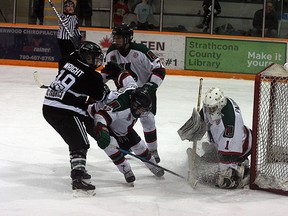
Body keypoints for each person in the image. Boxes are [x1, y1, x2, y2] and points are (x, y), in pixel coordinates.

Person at [42, 41, 109, 194]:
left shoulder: (68, 61)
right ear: (84, 56)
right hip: (65, 110)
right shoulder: (93, 76)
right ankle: (77, 177)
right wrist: (104, 88)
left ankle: (79, 170)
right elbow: (99, 96)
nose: (96, 61)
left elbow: (63, 61)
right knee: (81, 142)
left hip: (48, 107)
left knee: (76, 140)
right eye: (93, 58)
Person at [101, 23, 166, 164]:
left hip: (143, 93)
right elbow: (107, 72)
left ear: (128, 38)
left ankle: (153, 150)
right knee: (119, 121)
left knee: (148, 121)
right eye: (116, 37)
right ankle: (126, 146)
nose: (116, 40)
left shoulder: (140, 51)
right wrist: (96, 85)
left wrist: (149, 87)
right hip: (124, 94)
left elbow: (160, 69)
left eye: (120, 37)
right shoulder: (112, 52)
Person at [87, 84, 165, 184]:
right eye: (142, 110)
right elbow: (100, 116)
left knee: (139, 146)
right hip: (94, 119)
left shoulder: (133, 98)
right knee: (110, 145)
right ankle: (126, 170)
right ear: (135, 105)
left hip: (116, 121)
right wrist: (103, 131)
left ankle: (153, 165)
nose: (143, 113)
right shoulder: (121, 107)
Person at [178, 87, 252, 189]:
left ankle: (241, 168)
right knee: (212, 155)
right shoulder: (215, 105)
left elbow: (227, 157)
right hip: (227, 142)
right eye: (208, 108)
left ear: (220, 105)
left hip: (240, 148)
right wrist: (195, 127)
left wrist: (205, 173)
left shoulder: (229, 125)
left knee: (224, 182)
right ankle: (212, 155)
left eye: (212, 109)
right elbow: (203, 117)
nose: (209, 111)